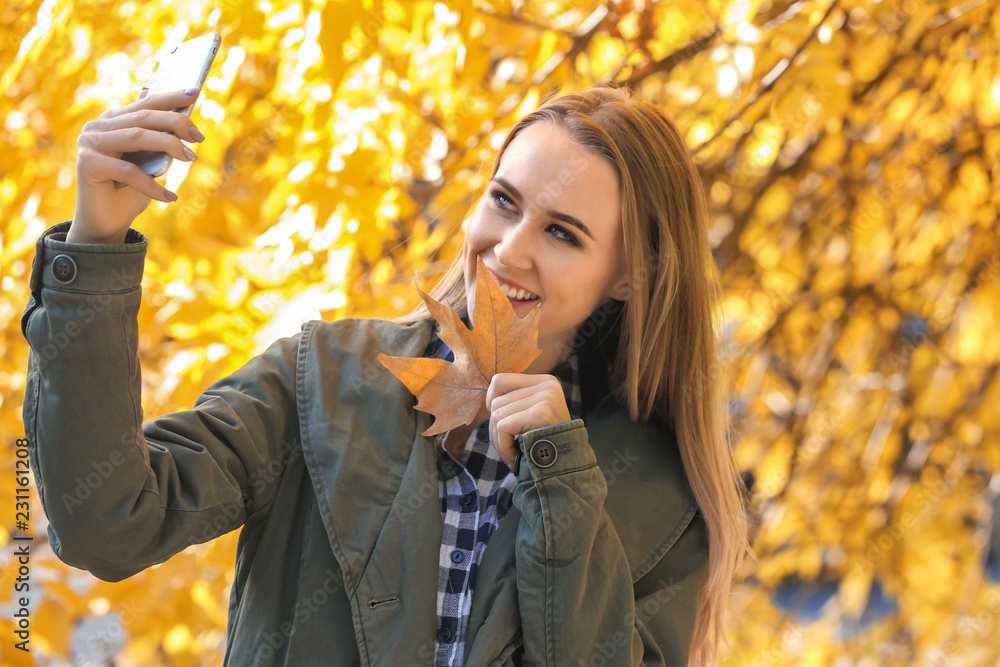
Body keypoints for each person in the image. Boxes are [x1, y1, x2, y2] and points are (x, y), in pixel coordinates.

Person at [22, 83, 749, 665]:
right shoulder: (324, 380)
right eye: (504, 202)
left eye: (562, 232)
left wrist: (560, 482)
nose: (510, 250)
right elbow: (107, 523)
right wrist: (94, 245)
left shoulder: (658, 496)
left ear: (627, 274)